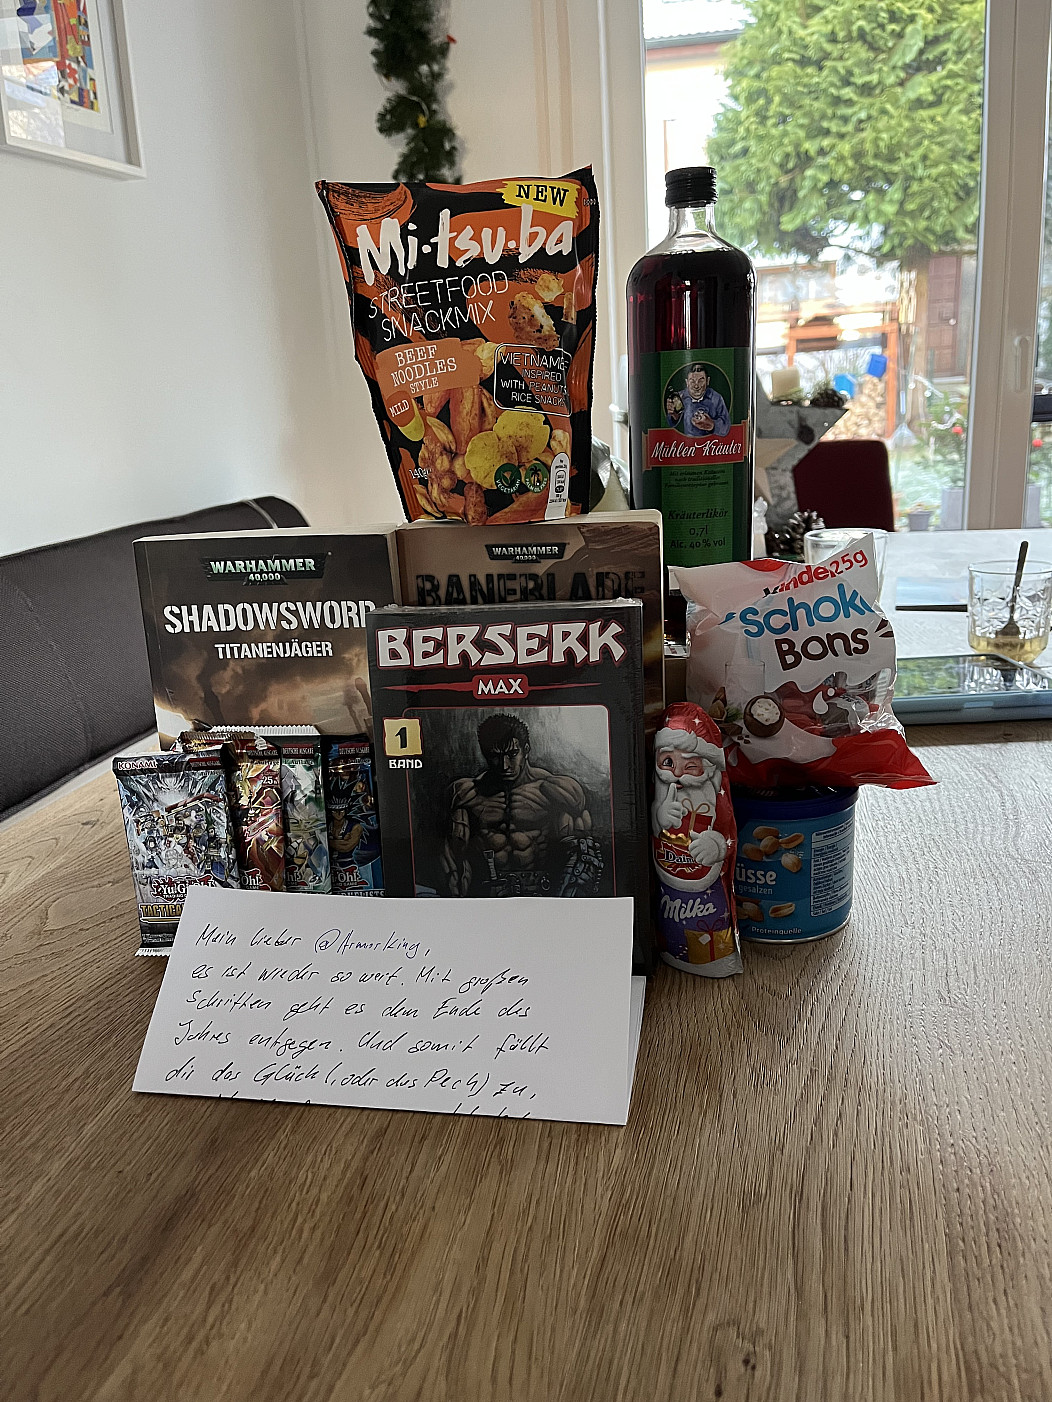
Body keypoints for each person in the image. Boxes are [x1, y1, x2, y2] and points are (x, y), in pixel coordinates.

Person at [440, 712, 603, 897]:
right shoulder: (466, 794)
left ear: (526, 750)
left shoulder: (556, 790)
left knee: (576, 829)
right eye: (495, 756)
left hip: (545, 893)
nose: (504, 766)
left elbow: (583, 852)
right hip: (487, 896)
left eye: (512, 754)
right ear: (485, 753)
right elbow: (453, 858)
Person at [676, 364, 730, 438]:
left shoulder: (716, 398)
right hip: (684, 443)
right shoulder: (678, 398)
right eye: (692, 381)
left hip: (713, 443)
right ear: (687, 382)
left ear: (707, 381)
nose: (696, 386)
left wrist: (712, 425)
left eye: (701, 381)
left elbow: (726, 427)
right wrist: (674, 416)